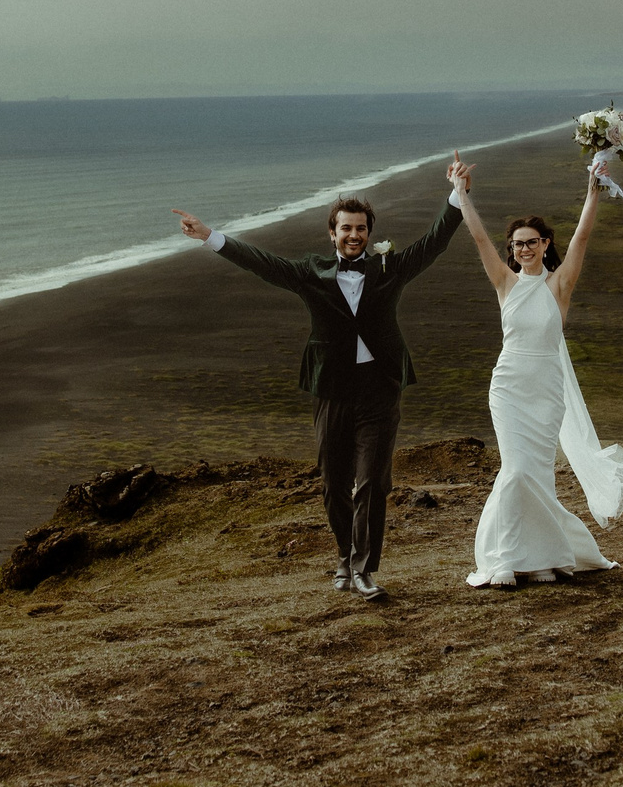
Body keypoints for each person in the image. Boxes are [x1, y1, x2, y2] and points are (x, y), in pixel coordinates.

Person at [172, 159, 467, 600]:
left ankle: (364, 570)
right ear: (332, 234)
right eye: (346, 228)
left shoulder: (389, 268)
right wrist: (209, 236)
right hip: (332, 391)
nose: (354, 235)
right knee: (333, 486)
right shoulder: (311, 272)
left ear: (369, 233)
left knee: (372, 483)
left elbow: (433, 243)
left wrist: (457, 193)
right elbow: (263, 263)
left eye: (361, 229)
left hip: (380, 389)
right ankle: (345, 556)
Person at [451, 161, 623, 588]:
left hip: (547, 393)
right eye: (517, 244)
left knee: (537, 476)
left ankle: (543, 559)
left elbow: (582, 238)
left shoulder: (559, 285)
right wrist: (461, 193)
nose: (523, 250)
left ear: (545, 243)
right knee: (516, 471)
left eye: (531, 242)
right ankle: (503, 559)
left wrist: (593, 190)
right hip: (509, 388)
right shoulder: (505, 282)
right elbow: (479, 238)